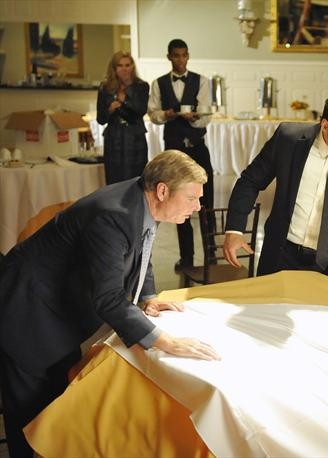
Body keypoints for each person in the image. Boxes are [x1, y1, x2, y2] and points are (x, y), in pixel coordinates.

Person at [0, 150, 220, 457]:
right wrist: (166, 342)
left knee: (55, 402)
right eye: (192, 198)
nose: (197, 207)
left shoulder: (144, 200)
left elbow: (142, 250)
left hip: (56, 310)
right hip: (26, 310)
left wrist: (148, 297)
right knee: (28, 414)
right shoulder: (113, 215)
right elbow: (109, 298)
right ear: (162, 191)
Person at [223, 92, 328, 311]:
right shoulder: (288, 139)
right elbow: (250, 181)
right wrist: (235, 229)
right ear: (325, 125)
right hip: (282, 257)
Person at [148, 38, 213, 271]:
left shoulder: (201, 81)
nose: (181, 59)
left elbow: (206, 116)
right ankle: (187, 258)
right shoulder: (158, 83)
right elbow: (153, 114)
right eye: (176, 55)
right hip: (174, 152)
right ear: (169, 57)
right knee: (177, 203)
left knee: (207, 203)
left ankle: (211, 257)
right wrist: (166, 115)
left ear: (188, 56)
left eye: (184, 55)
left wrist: (194, 119)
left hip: (198, 148)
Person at [96, 51, 149, 184]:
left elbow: (141, 111)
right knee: (114, 180)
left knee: (136, 180)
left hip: (135, 138)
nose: (124, 69)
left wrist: (124, 101)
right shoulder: (105, 88)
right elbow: (100, 119)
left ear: (132, 66)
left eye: (127, 65)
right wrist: (110, 110)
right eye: (120, 66)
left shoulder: (141, 86)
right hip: (114, 139)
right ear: (114, 68)